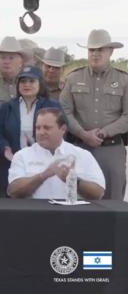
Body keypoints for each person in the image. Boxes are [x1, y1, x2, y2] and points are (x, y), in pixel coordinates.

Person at [60, 29, 128, 200]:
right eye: (92, 50)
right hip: (81, 147)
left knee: (113, 200)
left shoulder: (124, 80)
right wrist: (82, 133)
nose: (95, 54)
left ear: (110, 51)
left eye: (100, 50)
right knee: (78, 197)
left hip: (111, 149)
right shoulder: (74, 78)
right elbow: (64, 110)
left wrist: (103, 132)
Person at [0, 66, 61, 195]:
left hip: (44, 162)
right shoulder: (7, 107)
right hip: (14, 162)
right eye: (23, 81)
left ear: (40, 83)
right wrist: (4, 148)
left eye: (31, 81)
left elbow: (61, 133)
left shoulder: (53, 106)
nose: (27, 85)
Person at [8, 107, 105, 200]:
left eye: (47, 128)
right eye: (38, 128)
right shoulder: (22, 155)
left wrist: (72, 179)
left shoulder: (82, 155)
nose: (41, 132)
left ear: (63, 129)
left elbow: (98, 193)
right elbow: (13, 192)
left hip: (72, 214)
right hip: (34, 214)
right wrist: (43, 176)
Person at [0, 36, 28, 105]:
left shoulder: (30, 85)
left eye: (11, 58)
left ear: (21, 63)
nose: (6, 62)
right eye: (3, 58)